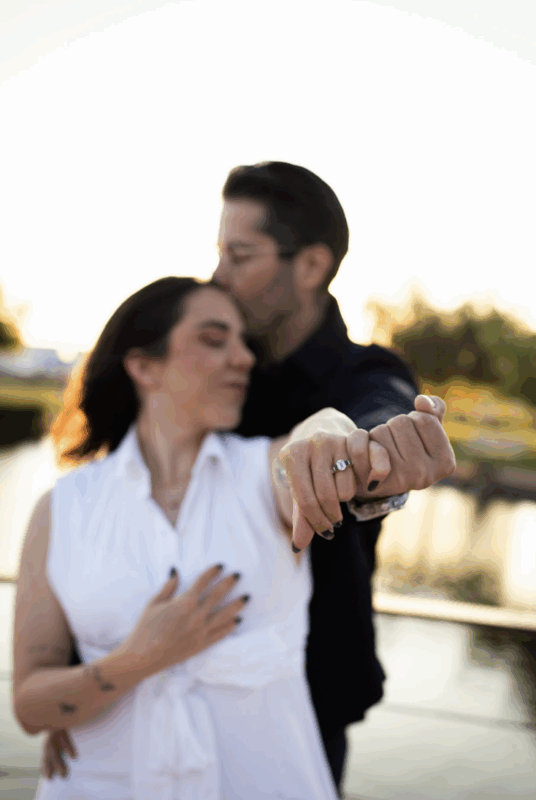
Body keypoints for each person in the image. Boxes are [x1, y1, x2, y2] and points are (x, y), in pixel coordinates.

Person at [40, 162, 456, 794]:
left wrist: (376, 450)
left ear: (310, 265)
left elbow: (376, 413)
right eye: (219, 254)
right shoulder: (214, 368)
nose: (218, 275)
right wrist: (79, 682)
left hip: (304, 696)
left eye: (238, 256)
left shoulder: (367, 372)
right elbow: (125, 515)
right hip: (149, 681)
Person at [13, 276, 347, 799]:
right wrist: (138, 658)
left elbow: (314, 442)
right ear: (144, 366)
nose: (243, 359)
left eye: (244, 343)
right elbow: (30, 706)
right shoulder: (61, 510)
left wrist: (330, 430)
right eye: (214, 340)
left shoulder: (265, 474)